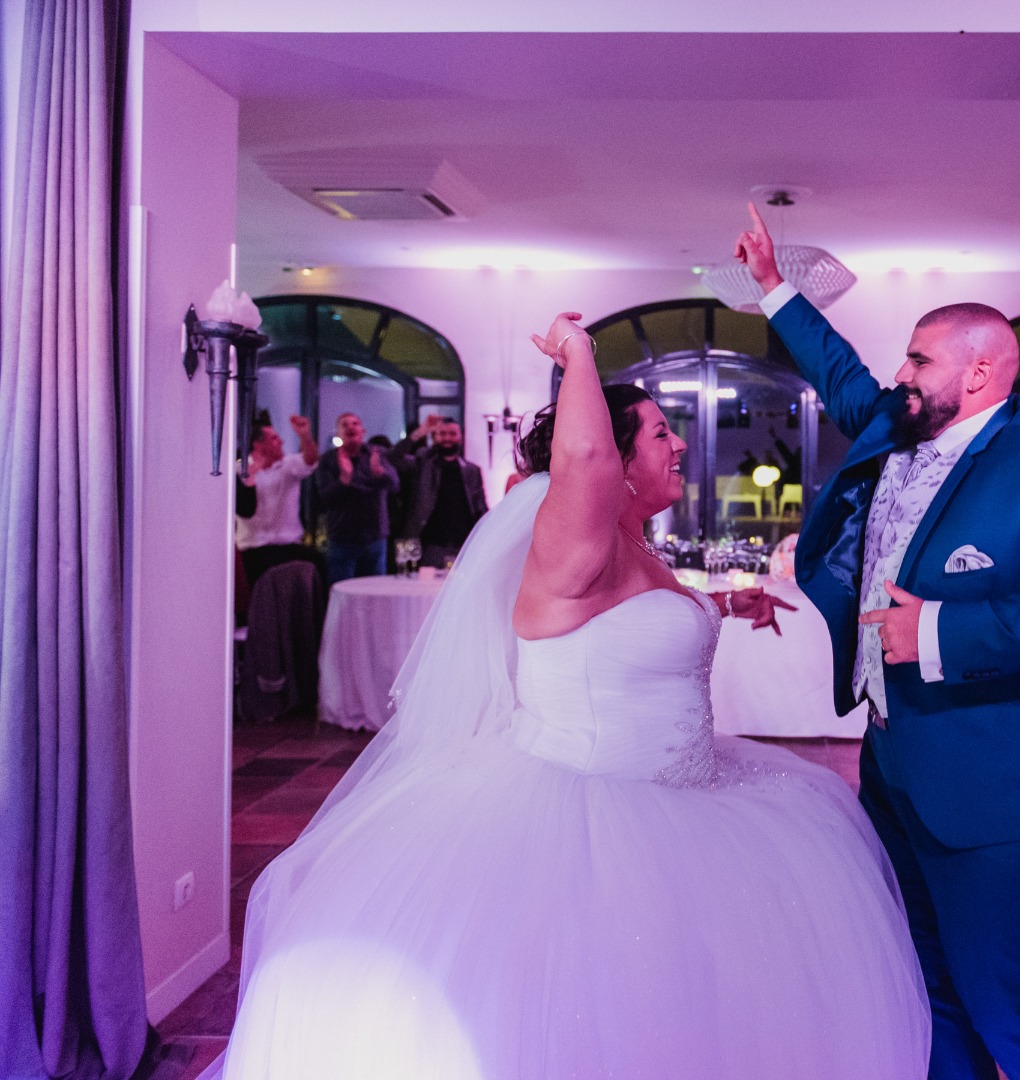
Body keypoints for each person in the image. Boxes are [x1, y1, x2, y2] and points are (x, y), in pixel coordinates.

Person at [201, 313, 929, 1080]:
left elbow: (622, 633)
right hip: (587, 813)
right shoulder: (570, 543)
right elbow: (581, 454)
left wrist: (719, 607)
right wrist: (578, 353)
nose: (678, 445)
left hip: (691, 796)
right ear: (612, 459)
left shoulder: (632, 547)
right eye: (658, 434)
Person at [735, 205, 1020, 1080]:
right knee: (931, 989)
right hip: (896, 761)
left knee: (1007, 1002)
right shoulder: (901, 427)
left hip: (1002, 780)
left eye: (920, 359)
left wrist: (946, 630)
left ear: (983, 372)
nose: (901, 373)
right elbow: (842, 374)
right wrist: (774, 286)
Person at [235, 414, 323, 586]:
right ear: (258, 445)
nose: (281, 442)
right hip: (254, 550)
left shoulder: (288, 465)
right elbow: (244, 509)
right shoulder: (240, 470)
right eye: (274, 438)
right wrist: (251, 477)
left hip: (289, 547)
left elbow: (310, 460)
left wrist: (304, 435)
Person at [389, 415, 489, 568]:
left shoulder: (472, 470)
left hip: (462, 543)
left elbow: (480, 507)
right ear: (434, 438)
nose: (447, 438)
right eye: (442, 434)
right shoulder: (422, 463)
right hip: (421, 540)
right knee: (410, 584)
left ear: (461, 438)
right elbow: (392, 459)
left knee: (459, 589)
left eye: (452, 434)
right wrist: (420, 432)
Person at [314, 412, 399, 582]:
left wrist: (380, 473)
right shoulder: (328, 460)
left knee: (374, 594)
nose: (350, 427)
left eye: (355, 423)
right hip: (342, 539)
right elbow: (324, 498)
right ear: (338, 434)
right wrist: (344, 480)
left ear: (363, 432)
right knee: (342, 594)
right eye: (344, 424)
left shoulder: (377, 454)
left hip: (374, 537)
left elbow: (395, 485)